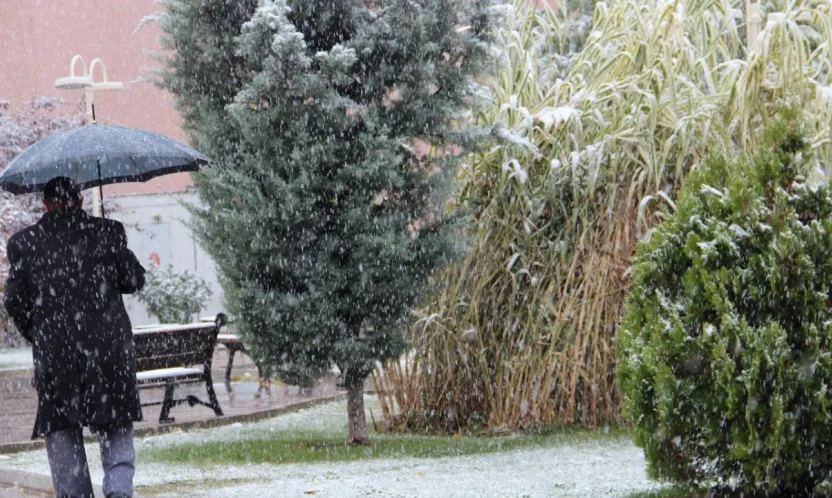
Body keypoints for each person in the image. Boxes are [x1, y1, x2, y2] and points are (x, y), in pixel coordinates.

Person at [4, 177, 146, 498]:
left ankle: (74, 494)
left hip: (57, 355)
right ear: (80, 199)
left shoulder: (25, 243)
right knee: (115, 424)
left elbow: (13, 301)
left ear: (45, 204)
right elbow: (134, 280)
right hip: (109, 350)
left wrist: (39, 333)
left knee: (62, 428)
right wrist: (118, 251)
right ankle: (119, 491)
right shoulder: (108, 232)